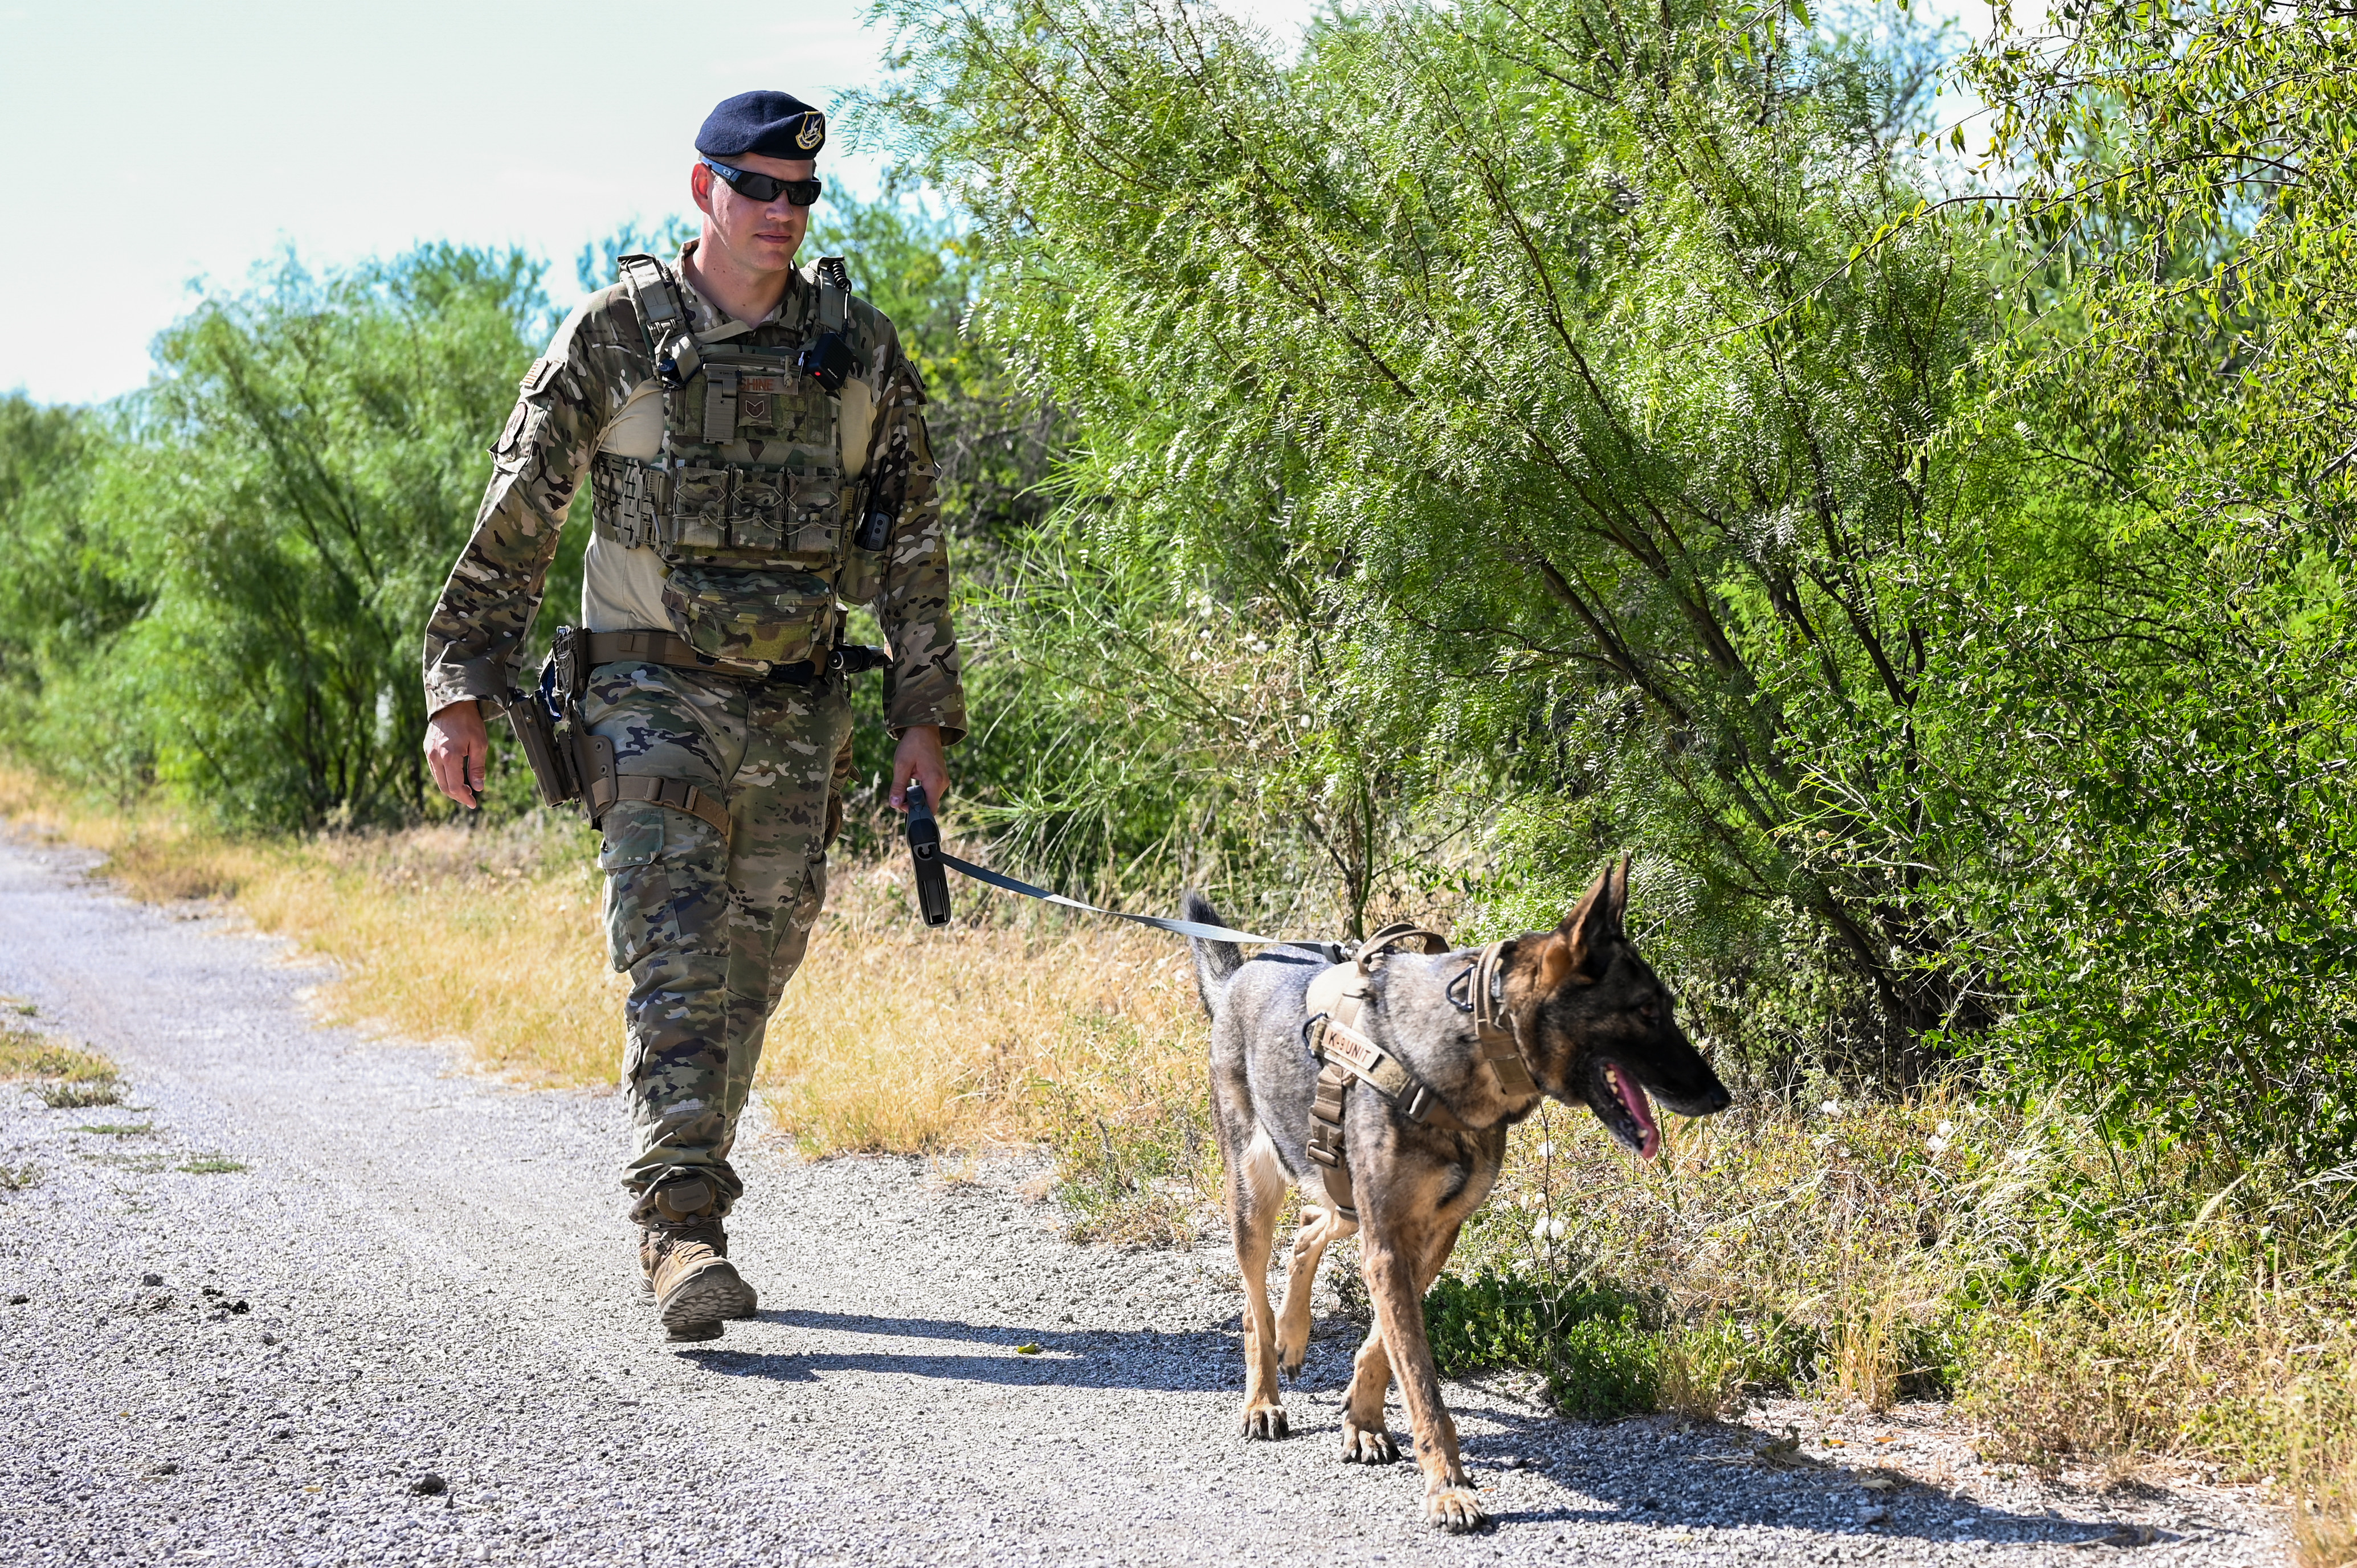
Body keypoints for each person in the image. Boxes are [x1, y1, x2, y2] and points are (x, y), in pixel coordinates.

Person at [418, 90, 965, 1341]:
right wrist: (461, 685)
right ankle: (679, 1228)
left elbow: (916, 551)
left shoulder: (860, 353)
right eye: (756, 186)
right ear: (702, 190)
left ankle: (693, 1185)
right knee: (672, 940)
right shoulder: (617, 336)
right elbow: (517, 524)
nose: (780, 211)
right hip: (646, 693)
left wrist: (921, 718)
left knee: (752, 964)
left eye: (801, 192)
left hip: (799, 704)